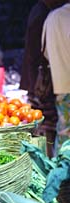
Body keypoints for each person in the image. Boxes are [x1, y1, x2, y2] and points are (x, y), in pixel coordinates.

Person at [20, 0, 67, 157]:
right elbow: (36, 56)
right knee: (50, 127)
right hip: (48, 84)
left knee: (57, 129)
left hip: (56, 84)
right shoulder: (45, 14)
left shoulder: (51, 15)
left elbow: (43, 53)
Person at [42, 1, 70, 151]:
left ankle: (63, 170)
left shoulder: (53, 18)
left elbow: (46, 53)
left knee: (65, 133)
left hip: (62, 86)